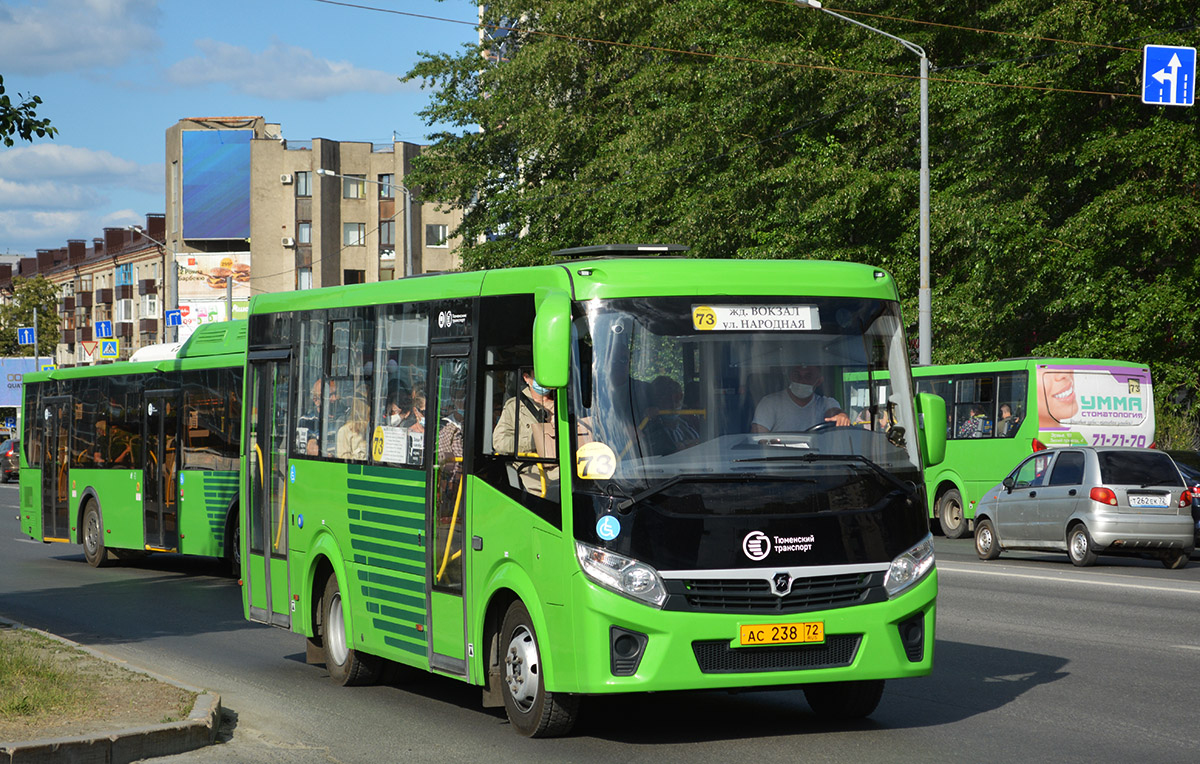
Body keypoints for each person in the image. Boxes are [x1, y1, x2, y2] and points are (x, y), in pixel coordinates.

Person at [493, 371, 557, 495]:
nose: (545, 380)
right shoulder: (515, 406)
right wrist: (533, 440)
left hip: (565, 469)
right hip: (533, 472)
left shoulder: (567, 404)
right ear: (526, 378)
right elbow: (499, 443)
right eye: (539, 376)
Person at [751, 365, 851, 433]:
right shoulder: (769, 403)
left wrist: (841, 416)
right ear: (790, 377)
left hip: (818, 461)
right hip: (779, 461)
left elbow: (835, 412)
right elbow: (758, 439)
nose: (802, 380)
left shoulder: (826, 403)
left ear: (819, 381)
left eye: (808, 376)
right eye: (797, 375)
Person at [641, 376, 700, 454]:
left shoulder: (689, 420)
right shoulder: (650, 429)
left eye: (678, 397)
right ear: (655, 401)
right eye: (666, 399)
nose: (673, 404)